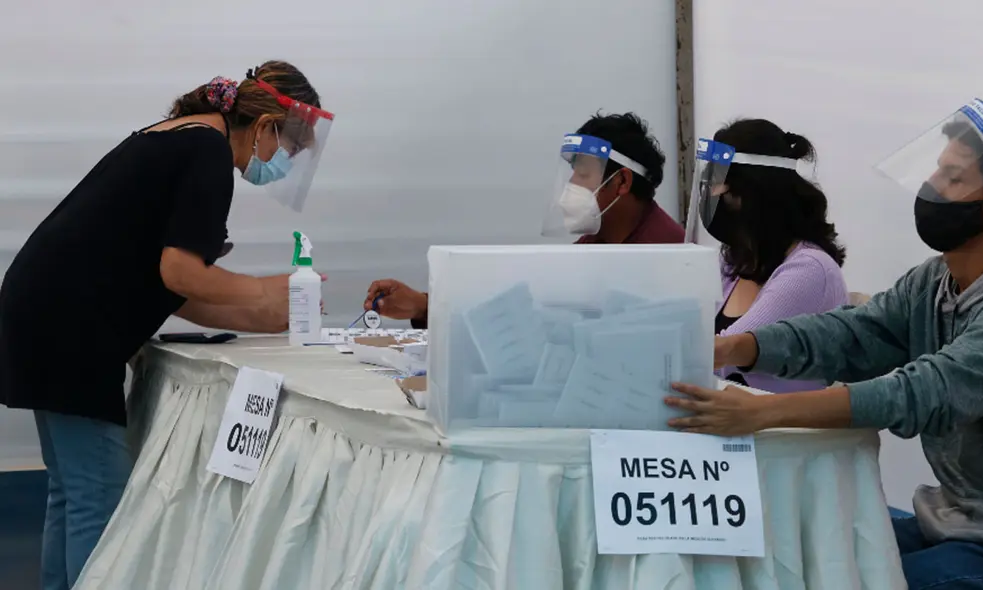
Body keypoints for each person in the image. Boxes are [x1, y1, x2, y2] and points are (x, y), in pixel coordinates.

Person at [0, 61, 332, 590]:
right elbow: (182, 272)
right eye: (288, 148)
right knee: (99, 496)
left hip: (43, 311)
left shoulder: (180, 136)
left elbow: (175, 291)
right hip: (71, 326)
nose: (281, 163)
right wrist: (270, 290)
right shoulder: (207, 150)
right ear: (267, 126)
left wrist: (260, 314)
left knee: (73, 489)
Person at [666, 100, 983, 589]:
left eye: (952, 180)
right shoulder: (932, 282)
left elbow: (921, 392)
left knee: (854, 577)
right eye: (935, 174)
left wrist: (766, 413)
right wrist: (738, 347)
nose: (930, 191)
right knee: (801, 551)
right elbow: (852, 332)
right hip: (949, 519)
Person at [364, 112, 684, 326]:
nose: (571, 189)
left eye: (583, 175)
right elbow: (531, 299)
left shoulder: (665, 255)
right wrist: (424, 305)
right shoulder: (598, 240)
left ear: (622, 183)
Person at [689, 119, 848, 392]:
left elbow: (722, 353)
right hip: (729, 423)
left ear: (753, 191)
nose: (710, 196)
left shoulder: (809, 269)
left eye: (718, 185)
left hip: (782, 431)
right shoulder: (733, 261)